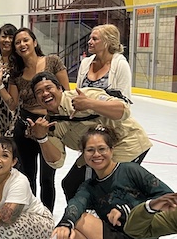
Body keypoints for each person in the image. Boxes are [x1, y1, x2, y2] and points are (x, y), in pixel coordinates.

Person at [27, 71, 151, 202]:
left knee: (106, 187)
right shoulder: (50, 124)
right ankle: (81, 218)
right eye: (39, 92)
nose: (45, 94)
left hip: (127, 141)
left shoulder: (85, 95)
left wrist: (90, 104)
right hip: (98, 149)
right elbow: (57, 162)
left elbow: (123, 111)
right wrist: (42, 138)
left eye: (48, 88)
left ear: (59, 88)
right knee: (71, 184)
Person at [0, 27, 70, 210]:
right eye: (17, 42)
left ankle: (46, 217)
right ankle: (31, 216)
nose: (22, 44)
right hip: (25, 127)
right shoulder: (16, 73)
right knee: (27, 175)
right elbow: (12, 104)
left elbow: (66, 94)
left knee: (47, 178)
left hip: (50, 125)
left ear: (34, 42)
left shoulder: (53, 62)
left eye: (25, 40)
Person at [76, 24, 132, 101]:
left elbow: (125, 102)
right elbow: (77, 93)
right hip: (83, 112)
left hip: (107, 112)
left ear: (107, 42)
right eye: (90, 38)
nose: (89, 42)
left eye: (94, 39)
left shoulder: (120, 65)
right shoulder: (85, 63)